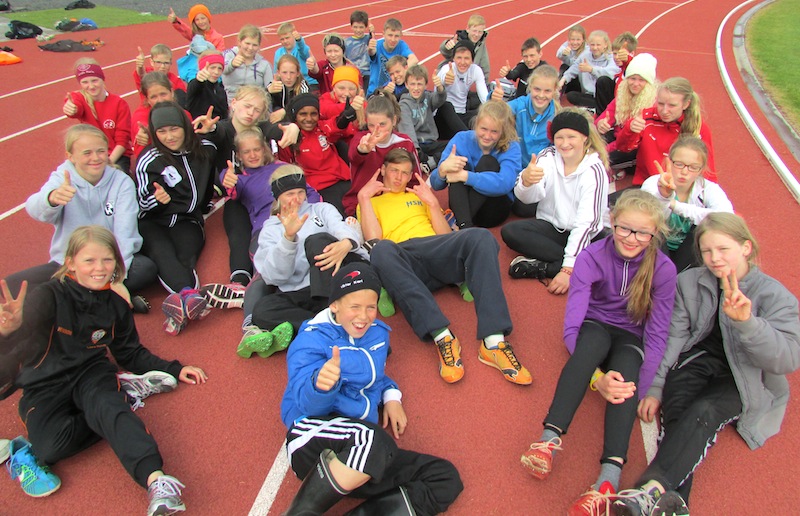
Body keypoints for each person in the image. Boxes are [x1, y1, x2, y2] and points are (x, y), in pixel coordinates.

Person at [0, 225, 207, 514]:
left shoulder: (115, 306)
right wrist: (8, 331)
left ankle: (158, 482)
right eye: (89, 260)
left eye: (107, 260)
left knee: (110, 409)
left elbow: (130, 352)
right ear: (71, 263)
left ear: (117, 263)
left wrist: (174, 368)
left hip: (91, 373)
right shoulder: (47, 296)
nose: (99, 268)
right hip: (45, 384)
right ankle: (125, 392)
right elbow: (16, 347)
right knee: (49, 449)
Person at [612, 213, 800, 515]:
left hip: (745, 374)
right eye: (707, 251)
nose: (714, 258)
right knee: (677, 410)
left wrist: (748, 324)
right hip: (698, 359)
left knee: (704, 411)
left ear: (746, 248)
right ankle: (672, 504)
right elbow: (675, 335)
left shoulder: (777, 297)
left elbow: (788, 359)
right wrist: (656, 386)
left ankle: (649, 490)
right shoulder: (689, 282)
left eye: (723, 249)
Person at [519, 190, 677, 516]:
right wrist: (596, 378)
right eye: (625, 228)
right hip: (596, 326)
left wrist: (640, 390)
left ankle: (608, 481)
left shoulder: (663, 269)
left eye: (643, 233)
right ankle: (548, 440)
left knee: (628, 376)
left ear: (655, 234)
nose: (632, 238)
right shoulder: (591, 256)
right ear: (612, 222)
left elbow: (658, 333)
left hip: (631, 337)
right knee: (587, 348)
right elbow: (572, 328)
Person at [280, 262, 463, 515]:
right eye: (354, 307)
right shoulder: (310, 340)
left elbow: (374, 376)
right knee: (374, 441)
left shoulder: (377, 334)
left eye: (371, 307)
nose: (364, 316)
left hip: (362, 450)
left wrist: (391, 396)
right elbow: (306, 405)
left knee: (443, 477)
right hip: (312, 438)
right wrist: (320, 386)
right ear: (334, 305)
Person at [359, 149, 532, 385]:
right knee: (380, 250)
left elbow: (444, 236)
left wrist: (431, 203)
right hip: (405, 261)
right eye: (394, 171)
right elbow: (373, 240)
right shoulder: (370, 201)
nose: (399, 177)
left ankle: (493, 342)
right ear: (383, 170)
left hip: (436, 251)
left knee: (481, 237)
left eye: (405, 173)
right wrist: (363, 198)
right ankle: (443, 337)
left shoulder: (419, 195)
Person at [4, 125, 155, 313]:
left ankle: (73, 301)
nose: (95, 158)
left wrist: (114, 277)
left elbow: (125, 234)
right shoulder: (62, 179)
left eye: (101, 151)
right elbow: (33, 208)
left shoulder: (121, 182)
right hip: (70, 264)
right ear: (70, 156)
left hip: (107, 262)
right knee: (10, 285)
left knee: (146, 268)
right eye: (87, 153)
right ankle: (107, 299)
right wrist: (51, 199)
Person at [241, 166, 366, 358]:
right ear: (278, 197)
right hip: (303, 292)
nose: (297, 199)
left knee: (316, 241)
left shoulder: (321, 209)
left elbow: (340, 227)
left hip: (337, 282)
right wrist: (288, 238)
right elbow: (275, 277)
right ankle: (330, 329)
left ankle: (319, 326)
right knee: (263, 310)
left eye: (301, 192)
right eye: (290, 194)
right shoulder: (270, 230)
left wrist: (346, 242)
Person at [502, 108, 609, 295]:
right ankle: (584, 265)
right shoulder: (547, 156)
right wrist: (526, 182)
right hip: (553, 228)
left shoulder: (594, 171)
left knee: (611, 250)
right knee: (510, 231)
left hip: (588, 235)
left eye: (571, 137)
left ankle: (548, 267)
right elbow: (528, 198)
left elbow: (586, 224)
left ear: (584, 138)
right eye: (559, 137)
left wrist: (567, 270)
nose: (565, 143)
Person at [135, 101, 217, 335]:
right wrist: (156, 200)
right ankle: (189, 295)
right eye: (162, 131)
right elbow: (141, 203)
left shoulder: (204, 149)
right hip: (153, 221)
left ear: (185, 127)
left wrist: (213, 129)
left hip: (187, 219)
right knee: (161, 252)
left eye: (174, 129)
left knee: (185, 256)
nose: (169, 137)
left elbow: (223, 140)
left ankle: (178, 308)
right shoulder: (148, 159)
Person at [641, 136, 733, 272]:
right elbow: (649, 219)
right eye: (679, 164)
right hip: (657, 241)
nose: (684, 172)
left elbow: (726, 217)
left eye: (693, 167)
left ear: (701, 169)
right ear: (669, 161)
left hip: (689, 247)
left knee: (705, 228)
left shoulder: (708, 189)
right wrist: (664, 197)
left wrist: (676, 206)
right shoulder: (652, 183)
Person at [430, 100, 521, 228]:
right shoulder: (461, 139)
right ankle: (464, 226)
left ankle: (458, 225)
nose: (487, 136)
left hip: (492, 210)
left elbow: (505, 183)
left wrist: (466, 176)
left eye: (494, 131)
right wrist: (442, 170)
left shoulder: (511, 146)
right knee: (457, 164)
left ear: (503, 131)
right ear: (476, 123)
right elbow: (435, 185)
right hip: (462, 207)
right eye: (484, 129)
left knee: (488, 162)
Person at [615, 76, 716, 186]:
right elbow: (623, 148)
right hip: (648, 185)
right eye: (661, 104)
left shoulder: (698, 129)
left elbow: (708, 170)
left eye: (672, 105)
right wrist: (630, 129)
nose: (664, 111)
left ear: (686, 104)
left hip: (680, 189)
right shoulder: (645, 118)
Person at [343, 92, 420, 216]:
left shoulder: (405, 142)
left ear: (394, 120)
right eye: (371, 125)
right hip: (365, 203)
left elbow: (415, 178)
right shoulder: (361, 140)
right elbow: (354, 157)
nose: (376, 130)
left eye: (382, 124)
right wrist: (363, 151)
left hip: (397, 201)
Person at [277, 93, 354, 215]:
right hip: (318, 189)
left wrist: (345, 117)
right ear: (295, 115)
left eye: (313, 114)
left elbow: (335, 125)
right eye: (303, 114)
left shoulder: (322, 127)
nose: (309, 119)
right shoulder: (291, 136)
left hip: (342, 180)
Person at [63, 59, 132, 173]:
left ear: (102, 79)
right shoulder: (81, 99)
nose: (91, 86)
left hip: (116, 155)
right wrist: (70, 107)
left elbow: (122, 140)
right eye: (85, 82)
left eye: (94, 80)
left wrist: (109, 162)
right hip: (92, 154)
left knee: (116, 178)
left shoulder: (119, 103)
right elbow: (74, 105)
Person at [595, 53, 658, 172]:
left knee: (599, 158)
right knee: (589, 142)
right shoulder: (622, 96)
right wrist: (600, 124)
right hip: (618, 139)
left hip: (634, 146)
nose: (635, 84)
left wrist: (604, 150)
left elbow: (630, 142)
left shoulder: (653, 104)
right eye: (632, 78)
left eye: (641, 80)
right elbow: (604, 117)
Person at [397, 64, 448, 169]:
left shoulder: (427, 97)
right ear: (406, 85)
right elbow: (408, 131)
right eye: (412, 84)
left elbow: (440, 99)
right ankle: (429, 160)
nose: (416, 88)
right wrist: (417, 151)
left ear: (425, 85)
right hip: (418, 145)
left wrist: (440, 87)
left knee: (455, 146)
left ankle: (430, 162)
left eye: (419, 84)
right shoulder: (404, 106)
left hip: (431, 142)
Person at [558, 30, 619, 110]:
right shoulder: (585, 55)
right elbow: (574, 67)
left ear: (605, 45)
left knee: (603, 80)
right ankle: (557, 97)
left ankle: (600, 107)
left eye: (598, 45)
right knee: (571, 94)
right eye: (592, 45)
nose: (595, 48)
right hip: (588, 94)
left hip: (604, 95)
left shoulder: (611, 57)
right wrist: (563, 79)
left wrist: (591, 70)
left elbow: (611, 73)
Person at [131, 72, 184, 162]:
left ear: (172, 92)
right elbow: (140, 125)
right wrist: (145, 133)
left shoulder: (182, 113)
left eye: (163, 94)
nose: (160, 100)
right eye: (153, 97)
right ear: (147, 99)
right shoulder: (141, 115)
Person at [436, 40, 489, 128]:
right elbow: (441, 83)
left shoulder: (476, 70)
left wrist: (492, 108)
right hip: (442, 117)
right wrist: (445, 80)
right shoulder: (447, 69)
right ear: (453, 58)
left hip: (461, 115)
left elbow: (484, 97)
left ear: (472, 60)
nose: (462, 62)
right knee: (446, 106)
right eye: (459, 58)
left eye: (466, 58)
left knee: (482, 111)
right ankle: (466, 135)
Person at [222, 24, 274, 103]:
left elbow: (269, 89)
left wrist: (272, 88)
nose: (250, 48)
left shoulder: (264, 65)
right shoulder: (228, 55)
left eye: (254, 45)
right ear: (239, 42)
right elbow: (222, 69)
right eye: (247, 43)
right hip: (230, 104)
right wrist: (231, 64)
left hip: (254, 106)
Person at [367, 18, 418, 95]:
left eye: (396, 36)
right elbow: (372, 52)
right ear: (383, 34)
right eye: (390, 35)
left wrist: (402, 72)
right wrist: (370, 48)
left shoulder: (401, 45)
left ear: (401, 36)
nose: (393, 39)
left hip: (393, 91)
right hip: (375, 92)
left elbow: (414, 59)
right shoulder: (377, 45)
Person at [594, 31, 637, 115]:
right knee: (603, 81)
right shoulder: (619, 73)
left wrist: (628, 59)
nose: (617, 57)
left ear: (631, 54)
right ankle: (600, 116)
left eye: (620, 54)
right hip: (616, 105)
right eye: (614, 54)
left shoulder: (634, 69)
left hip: (628, 109)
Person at [440, 14, 490, 82]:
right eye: (474, 31)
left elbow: (485, 65)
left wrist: (485, 83)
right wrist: (447, 46)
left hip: (465, 78)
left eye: (480, 32)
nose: (476, 34)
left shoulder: (481, 44)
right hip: (450, 75)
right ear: (468, 29)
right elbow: (445, 53)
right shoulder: (459, 40)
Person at [186, 50, 228, 121]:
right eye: (212, 67)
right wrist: (199, 79)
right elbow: (195, 86)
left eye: (220, 68)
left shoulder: (220, 88)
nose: (216, 72)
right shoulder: (197, 86)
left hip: (219, 126)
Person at [274, 22, 317, 92]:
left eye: (287, 38)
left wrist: (299, 40)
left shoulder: (301, 49)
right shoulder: (278, 53)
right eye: (282, 39)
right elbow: (276, 72)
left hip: (308, 83)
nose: (285, 41)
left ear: (293, 36)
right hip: (288, 83)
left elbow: (303, 49)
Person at [269, 54, 310, 123]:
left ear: (298, 73)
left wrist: (285, 111)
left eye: (292, 73)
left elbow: (304, 101)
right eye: (284, 72)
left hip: (297, 120)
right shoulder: (274, 85)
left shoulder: (303, 86)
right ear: (278, 73)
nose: (288, 77)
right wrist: (268, 91)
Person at [345, 10, 373, 90]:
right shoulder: (346, 42)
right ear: (351, 26)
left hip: (366, 73)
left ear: (366, 27)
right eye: (355, 27)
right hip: (353, 73)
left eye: (361, 27)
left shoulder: (368, 39)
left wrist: (372, 32)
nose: (358, 30)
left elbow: (373, 43)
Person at [556, 24, 586, 91]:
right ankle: (559, 90)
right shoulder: (566, 46)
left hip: (579, 77)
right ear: (568, 40)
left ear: (583, 40)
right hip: (567, 76)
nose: (575, 42)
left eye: (578, 40)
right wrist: (563, 53)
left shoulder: (586, 50)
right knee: (564, 67)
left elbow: (576, 66)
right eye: (572, 39)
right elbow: (558, 54)